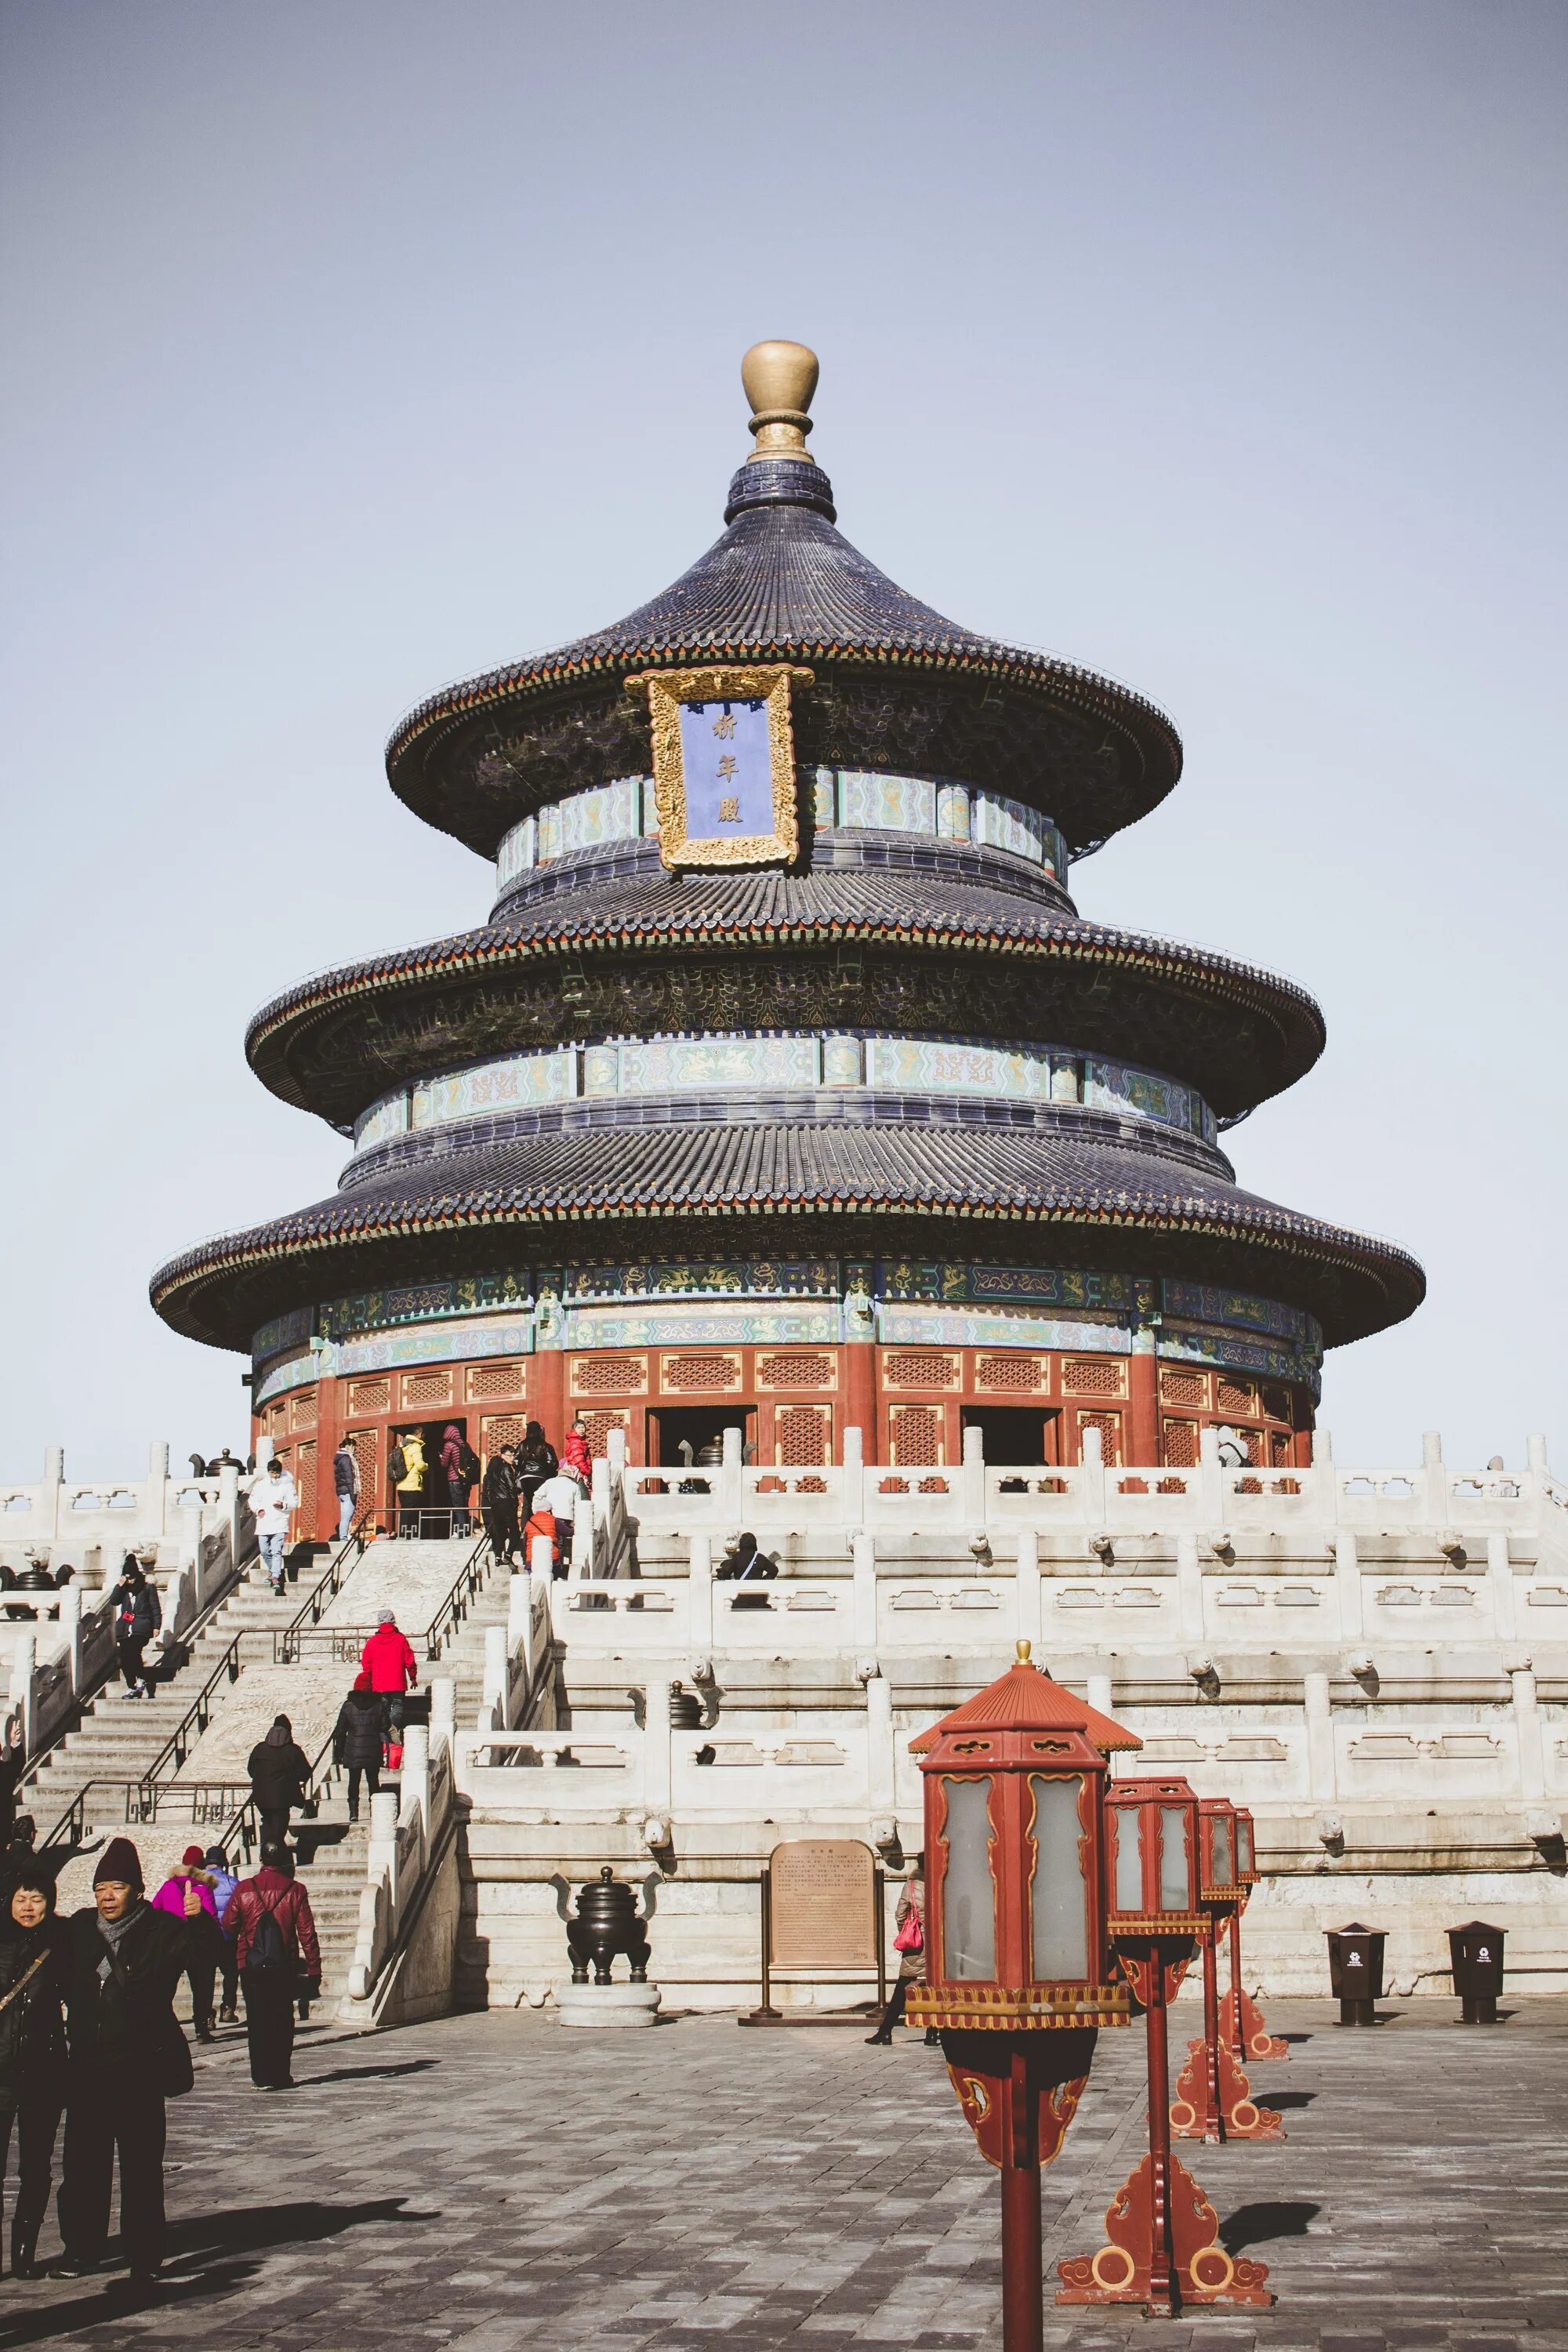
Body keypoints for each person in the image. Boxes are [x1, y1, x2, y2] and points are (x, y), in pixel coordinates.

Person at [52, 1837, 199, 2282]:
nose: (107, 1897)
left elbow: (206, 1957)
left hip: (140, 2069)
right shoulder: (79, 1929)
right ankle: (82, 2250)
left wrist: (201, 1924)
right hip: (88, 2070)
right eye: (101, 1889)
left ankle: (145, 2254)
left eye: (117, 1888)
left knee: (140, 2167)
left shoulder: (163, 1930)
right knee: (82, 2165)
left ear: (136, 1890)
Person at [0, 1864, 68, 2278]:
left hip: (43, 2072)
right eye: (21, 1898)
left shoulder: (62, 1945)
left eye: (37, 1898)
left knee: (35, 2165)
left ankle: (24, 2249)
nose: (28, 1907)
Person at [221, 1846, 320, 2092]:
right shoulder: (296, 1890)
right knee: (282, 2019)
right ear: (285, 1860)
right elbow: (307, 1933)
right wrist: (314, 1967)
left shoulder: (244, 1888)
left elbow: (229, 1926)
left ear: (261, 1858)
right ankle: (280, 2073)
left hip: (250, 1963)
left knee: (257, 2019)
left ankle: (261, 2075)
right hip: (282, 1964)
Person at [151, 1848, 220, 2042]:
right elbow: (212, 1918)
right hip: (197, 1946)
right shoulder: (203, 1887)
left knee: (166, 1987)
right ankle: (201, 2030)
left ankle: (164, 2027)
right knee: (201, 1989)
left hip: (171, 1944)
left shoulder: (167, 1886)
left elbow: (154, 1911)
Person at [866, 1864, 936, 2046]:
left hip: (917, 1944)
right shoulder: (941, 1882)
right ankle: (932, 2033)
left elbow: (900, 1914)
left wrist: (910, 1933)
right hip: (938, 1943)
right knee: (936, 1988)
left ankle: (885, 2031)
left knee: (902, 1988)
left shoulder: (912, 1885)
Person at [245, 1715, 311, 1851]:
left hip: (261, 1797)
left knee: (269, 1825)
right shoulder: (293, 1750)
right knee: (278, 1830)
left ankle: (268, 1854)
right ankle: (275, 1857)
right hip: (283, 1798)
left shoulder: (260, 1749)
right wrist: (291, 1777)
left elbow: (251, 1770)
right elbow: (305, 1773)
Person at [332, 1671, 384, 1821]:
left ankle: (353, 1812)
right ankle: (375, 1811)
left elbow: (340, 1731)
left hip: (353, 1749)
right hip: (373, 1748)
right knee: (373, 1781)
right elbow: (385, 1725)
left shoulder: (348, 1706)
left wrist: (338, 1753)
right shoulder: (378, 1705)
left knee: (353, 1781)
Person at [107, 1556, 162, 1699]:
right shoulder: (124, 1589)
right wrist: (119, 1586)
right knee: (124, 1659)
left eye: (131, 1578)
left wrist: (156, 1626)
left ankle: (141, 1678)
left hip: (141, 1627)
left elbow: (155, 1607)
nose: (130, 1581)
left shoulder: (147, 1587)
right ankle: (132, 1687)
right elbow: (114, 1601)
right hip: (125, 1628)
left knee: (133, 1652)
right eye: (127, 1579)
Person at [359, 1608, 418, 1732]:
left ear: (379, 1623)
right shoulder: (401, 1639)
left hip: (379, 1682)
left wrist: (369, 1680)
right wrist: (413, 1677)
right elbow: (410, 1661)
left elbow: (366, 1663)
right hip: (397, 1681)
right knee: (397, 1706)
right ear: (393, 1622)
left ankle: (384, 1731)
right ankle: (393, 1730)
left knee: (383, 1707)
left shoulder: (372, 1642)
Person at [249, 1457, 298, 1595]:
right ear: (268, 1472)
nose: (274, 1475)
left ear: (280, 1472)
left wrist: (283, 1505)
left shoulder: (287, 1485)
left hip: (280, 1522)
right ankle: (273, 1571)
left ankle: (276, 1576)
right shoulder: (261, 1485)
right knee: (264, 1551)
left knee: (276, 1550)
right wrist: (259, 1510)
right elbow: (253, 1500)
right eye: (272, 1472)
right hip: (264, 1522)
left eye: (276, 1473)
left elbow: (294, 1502)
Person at [201, 1847, 240, 2024]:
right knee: (231, 1973)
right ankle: (228, 2008)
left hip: (204, 1938)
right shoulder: (233, 1883)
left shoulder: (196, 1882)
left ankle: (207, 2013)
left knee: (205, 1978)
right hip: (227, 1936)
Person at [481, 1443, 521, 1564]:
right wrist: (515, 1501)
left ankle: (497, 1557)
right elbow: (511, 1488)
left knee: (500, 1531)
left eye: (514, 1455)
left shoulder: (491, 1473)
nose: (512, 1458)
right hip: (507, 1502)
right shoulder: (506, 1469)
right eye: (510, 1455)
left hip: (495, 1503)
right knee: (515, 1531)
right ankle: (508, 1555)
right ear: (503, 1456)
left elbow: (487, 1490)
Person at [516, 1421, 557, 1522]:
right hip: (540, 1477)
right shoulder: (545, 1446)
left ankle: (525, 1528)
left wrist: (522, 1470)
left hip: (525, 1477)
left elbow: (516, 1460)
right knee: (541, 1501)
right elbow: (553, 1463)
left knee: (527, 1503)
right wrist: (546, 1472)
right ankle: (540, 1524)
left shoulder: (522, 1445)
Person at [392, 1431, 426, 1536]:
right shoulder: (415, 1446)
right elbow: (420, 1465)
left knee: (405, 1511)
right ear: (420, 1434)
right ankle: (409, 1535)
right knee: (411, 1513)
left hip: (401, 1484)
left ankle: (403, 1533)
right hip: (412, 1485)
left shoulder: (402, 1445)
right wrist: (427, 1466)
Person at [332, 1436, 360, 1543]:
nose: (355, 1449)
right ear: (348, 1446)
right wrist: (353, 1493)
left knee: (344, 1516)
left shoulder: (340, 1458)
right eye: (354, 1447)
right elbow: (349, 1477)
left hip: (342, 1492)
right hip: (348, 1491)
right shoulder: (347, 1458)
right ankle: (343, 1538)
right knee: (347, 1517)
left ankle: (344, 1536)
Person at [561, 1419, 593, 1483]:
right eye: (578, 1428)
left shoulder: (580, 1441)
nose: (581, 1430)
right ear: (574, 1430)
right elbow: (579, 1461)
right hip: (578, 1474)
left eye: (583, 1427)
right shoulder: (576, 1442)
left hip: (580, 1473)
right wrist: (588, 1472)